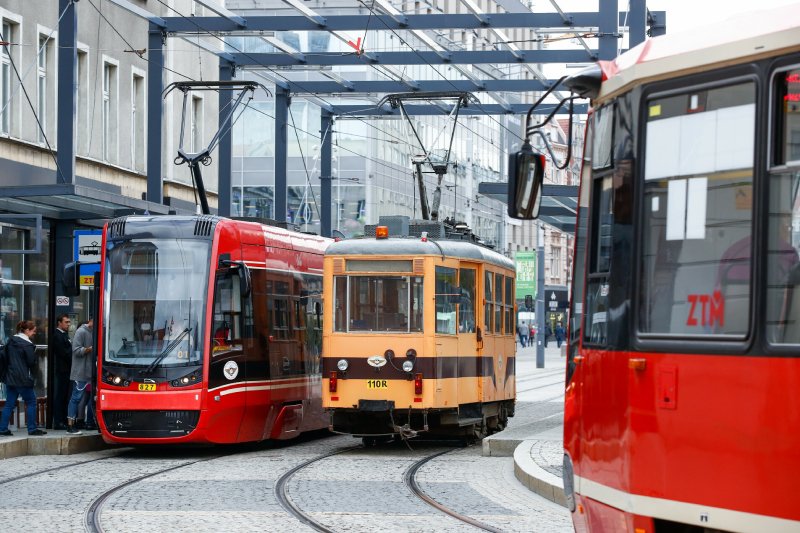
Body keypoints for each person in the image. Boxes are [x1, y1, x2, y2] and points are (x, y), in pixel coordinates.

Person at [0, 320, 47, 436]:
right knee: (31, 402)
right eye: (33, 331)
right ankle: (32, 429)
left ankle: (2, 429)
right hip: (23, 379)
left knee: (9, 404)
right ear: (26, 331)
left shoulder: (10, 341)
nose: (34, 333)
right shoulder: (27, 345)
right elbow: (31, 362)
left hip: (10, 378)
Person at [67, 317, 94, 435]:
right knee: (76, 398)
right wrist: (90, 349)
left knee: (91, 398)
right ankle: (70, 425)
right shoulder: (81, 332)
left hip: (90, 372)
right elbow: (76, 350)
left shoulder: (93, 332)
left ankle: (85, 421)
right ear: (91, 320)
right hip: (81, 372)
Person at [52, 314, 72, 430]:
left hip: (67, 369)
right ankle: (58, 421)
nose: (68, 324)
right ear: (59, 322)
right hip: (62, 369)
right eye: (66, 322)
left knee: (65, 396)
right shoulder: (57, 335)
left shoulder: (64, 335)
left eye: (69, 322)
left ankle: (63, 419)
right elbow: (64, 353)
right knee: (60, 396)